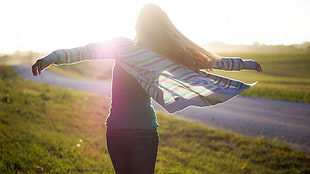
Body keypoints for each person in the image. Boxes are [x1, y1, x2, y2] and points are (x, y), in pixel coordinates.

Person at [32, 3, 262, 174]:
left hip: (130, 132)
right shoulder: (131, 48)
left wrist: (52, 57)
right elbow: (86, 50)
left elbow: (206, 61)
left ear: (138, 25)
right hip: (123, 131)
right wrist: (51, 57)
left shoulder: (154, 53)